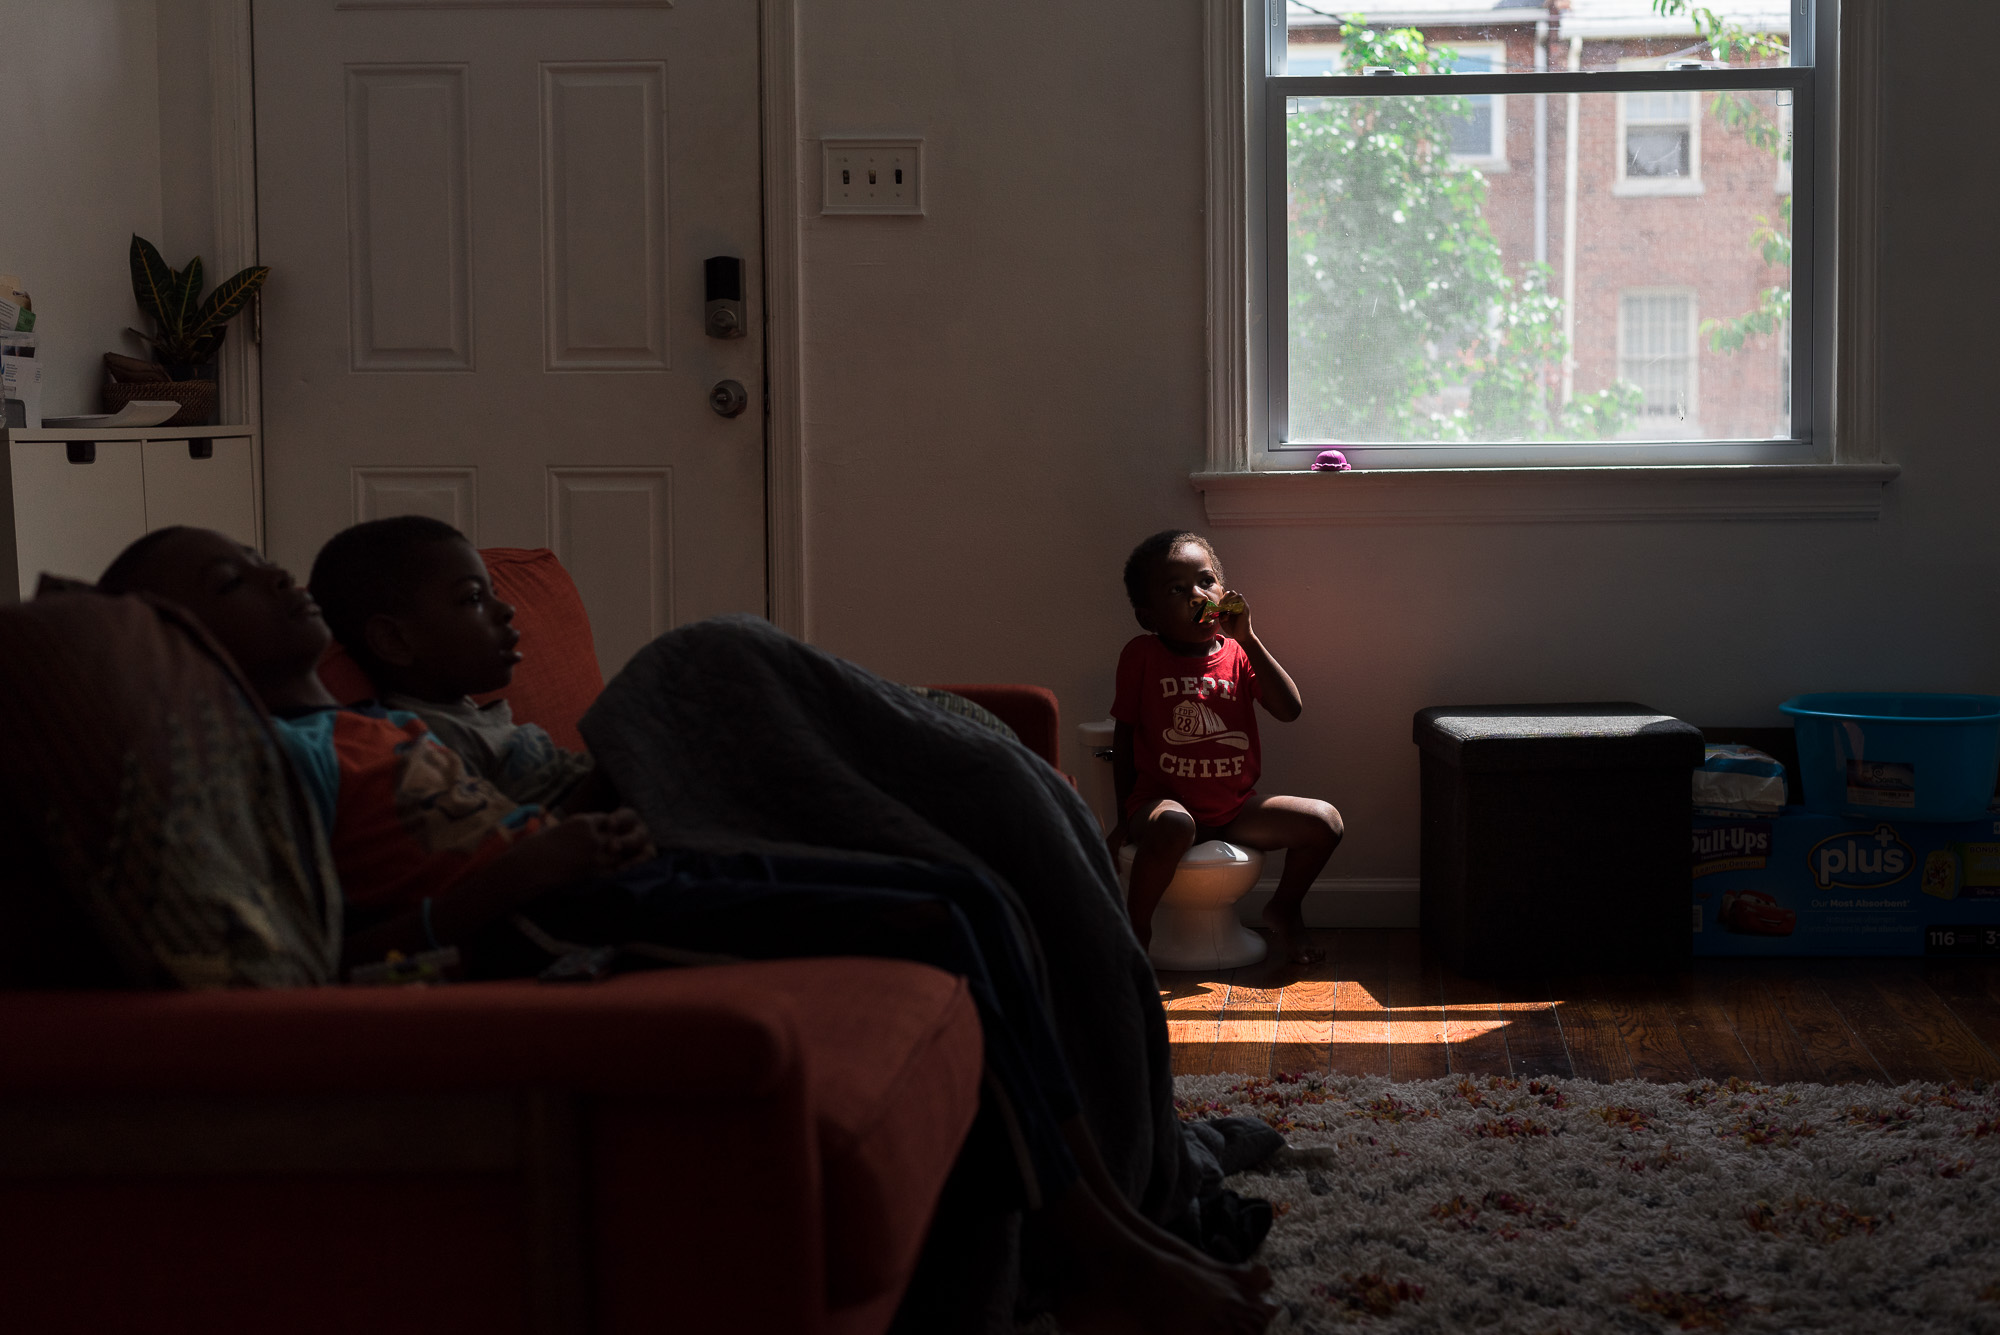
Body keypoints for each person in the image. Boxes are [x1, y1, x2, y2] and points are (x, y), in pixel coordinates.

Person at [96, 525, 1279, 1335]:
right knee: (718, 668)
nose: (268, 569)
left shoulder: (388, 722)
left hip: (614, 846)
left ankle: (1108, 1207)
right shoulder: (285, 759)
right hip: (565, 919)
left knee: (959, 890)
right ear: (175, 643)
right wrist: (521, 872)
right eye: (229, 581)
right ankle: (1091, 1242)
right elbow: (332, 958)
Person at [1108, 530, 1343, 966]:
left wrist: (1249, 638)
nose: (1199, 595)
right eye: (1177, 590)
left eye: (1206, 581)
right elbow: (1124, 737)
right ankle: (1135, 927)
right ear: (1149, 616)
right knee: (1177, 827)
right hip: (1164, 806)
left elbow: (1290, 710)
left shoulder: (1238, 653)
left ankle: (1286, 908)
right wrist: (1125, 815)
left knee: (1324, 822)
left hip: (1233, 810)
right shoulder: (1141, 654)